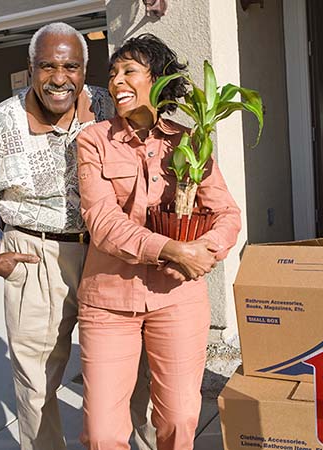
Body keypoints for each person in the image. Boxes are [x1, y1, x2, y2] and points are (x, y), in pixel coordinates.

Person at [0, 22, 156, 450]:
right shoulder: (3, 123)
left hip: (107, 255)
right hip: (36, 257)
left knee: (131, 369)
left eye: (70, 66)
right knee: (37, 383)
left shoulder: (108, 104)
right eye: (47, 66)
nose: (59, 78)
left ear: (85, 69)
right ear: (30, 68)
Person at [76, 34, 242, 450]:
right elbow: (103, 222)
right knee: (102, 430)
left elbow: (227, 214)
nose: (116, 82)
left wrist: (207, 252)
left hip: (178, 296)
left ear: (158, 80)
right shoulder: (93, 140)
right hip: (109, 300)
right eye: (112, 73)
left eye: (129, 71)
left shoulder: (189, 141)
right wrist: (171, 249)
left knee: (180, 418)